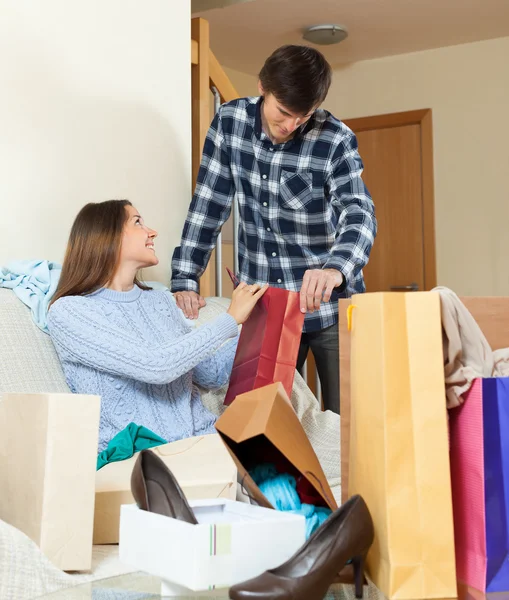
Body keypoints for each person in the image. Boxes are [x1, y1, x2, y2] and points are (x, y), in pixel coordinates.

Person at [171, 45, 377, 415]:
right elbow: (209, 205)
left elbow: (359, 214)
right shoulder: (229, 123)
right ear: (262, 87)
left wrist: (335, 269)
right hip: (267, 308)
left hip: (330, 305)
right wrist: (185, 277)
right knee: (266, 423)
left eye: (303, 116)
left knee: (352, 423)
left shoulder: (334, 139)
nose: (290, 126)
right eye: (283, 112)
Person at [47, 199, 267, 452]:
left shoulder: (160, 300)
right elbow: (155, 366)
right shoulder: (69, 312)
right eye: (137, 222)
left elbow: (210, 373)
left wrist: (257, 323)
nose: (152, 232)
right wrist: (229, 320)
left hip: (207, 442)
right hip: (143, 458)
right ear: (107, 235)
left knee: (294, 482)